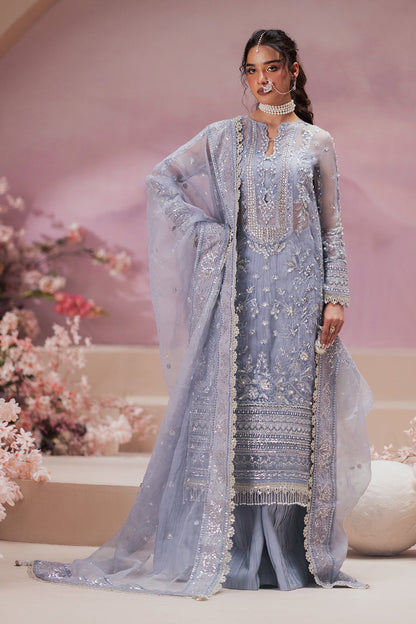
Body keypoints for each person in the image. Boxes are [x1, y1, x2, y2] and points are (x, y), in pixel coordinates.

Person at [31, 29, 373, 598]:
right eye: (251, 70)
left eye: (272, 67)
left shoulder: (318, 142)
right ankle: (234, 554)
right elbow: (160, 179)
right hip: (240, 298)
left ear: (293, 69)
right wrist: (210, 234)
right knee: (240, 419)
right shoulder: (223, 137)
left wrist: (336, 295)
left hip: (299, 300)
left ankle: (289, 556)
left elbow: (332, 226)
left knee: (295, 420)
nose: (261, 80)